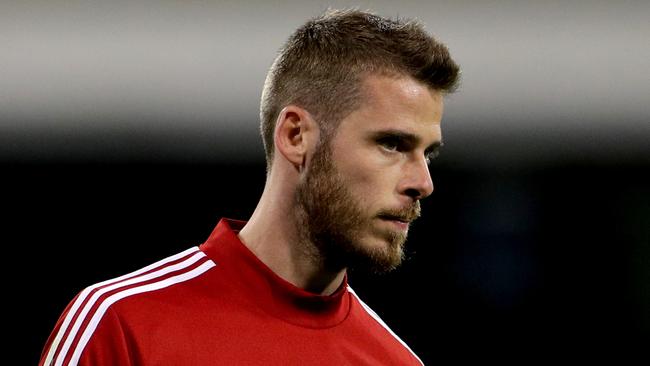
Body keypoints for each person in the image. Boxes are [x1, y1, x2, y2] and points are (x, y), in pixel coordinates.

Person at [39, 8, 460, 366]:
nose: (422, 183)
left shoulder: (396, 361)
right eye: (392, 143)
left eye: (429, 153)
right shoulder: (121, 325)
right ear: (296, 137)